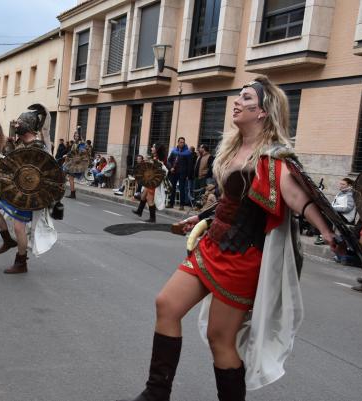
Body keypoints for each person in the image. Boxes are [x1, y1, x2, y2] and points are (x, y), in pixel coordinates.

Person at [118, 76, 339, 401]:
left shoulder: (273, 160)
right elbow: (231, 201)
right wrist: (202, 217)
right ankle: (156, 393)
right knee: (167, 304)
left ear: (262, 111)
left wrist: (326, 230)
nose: (236, 101)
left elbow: (299, 199)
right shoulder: (236, 148)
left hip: (241, 259)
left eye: (245, 97)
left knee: (220, 339)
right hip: (211, 246)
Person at [0, 105, 57, 274]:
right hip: (14, 189)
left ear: (29, 126)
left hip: (28, 194)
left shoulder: (38, 147)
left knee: (19, 228)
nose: (17, 125)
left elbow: (46, 173)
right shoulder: (20, 144)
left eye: (20, 122)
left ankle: (21, 261)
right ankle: (7, 240)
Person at [314, 178, 357, 245]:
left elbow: (348, 208)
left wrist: (333, 208)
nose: (341, 185)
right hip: (339, 214)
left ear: (349, 185)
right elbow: (334, 205)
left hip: (346, 217)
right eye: (340, 183)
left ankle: (324, 236)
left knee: (328, 215)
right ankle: (322, 234)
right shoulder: (340, 193)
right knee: (321, 214)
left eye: (343, 184)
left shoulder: (350, 194)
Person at [132, 144, 167, 223]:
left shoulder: (159, 159)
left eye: (153, 147)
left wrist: (151, 162)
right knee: (143, 195)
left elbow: (158, 170)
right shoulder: (154, 158)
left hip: (153, 181)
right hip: (150, 180)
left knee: (149, 199)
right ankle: (139, 211)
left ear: (157, 149)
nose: (151, 148)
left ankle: (152, 218)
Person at [166, 137, 193, 210]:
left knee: (182, 189)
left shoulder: (188, 152)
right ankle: (171, 204)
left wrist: (188, 175)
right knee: (172, 188)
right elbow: (168, 161)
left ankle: (181, 205)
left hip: (182, 173)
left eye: (183, 142)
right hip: (173, 172)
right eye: (181, 142)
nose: (182, 143)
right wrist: (170, 168)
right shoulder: (174, 151)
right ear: (178, 142)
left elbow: (190, 165)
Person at [63, 130, 91, 199]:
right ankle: (71, 192)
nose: (76, 137)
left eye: (77, 136)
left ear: (80, 136)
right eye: (75, 136)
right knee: (67, 176)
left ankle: (72, 193)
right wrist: (67, 155)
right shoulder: (76, 143)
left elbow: (79, 153)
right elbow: (73, 152)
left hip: (75, 164)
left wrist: (67, 155)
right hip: (72, 162)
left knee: (70, 178)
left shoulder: (81, 143)